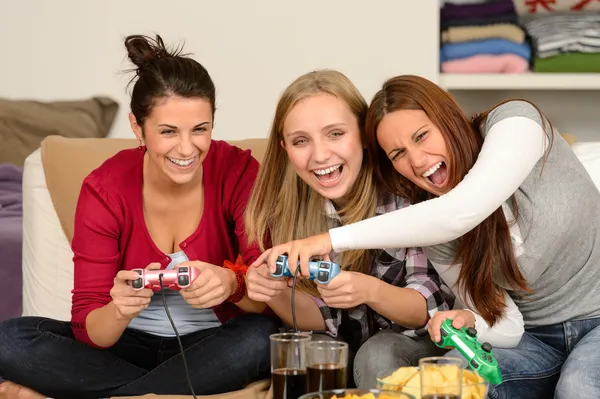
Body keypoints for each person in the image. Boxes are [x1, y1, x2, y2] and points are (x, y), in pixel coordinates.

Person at [256, 74, 600, 399]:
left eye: (421, 136)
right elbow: (508, 326)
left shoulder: (517, 122)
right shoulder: (434, 228)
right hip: (536, 341)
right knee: (453, 379)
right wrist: (471, 320)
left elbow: (464, 209)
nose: (417, 161)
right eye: (398, 154)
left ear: (448, 114)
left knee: (578, 387)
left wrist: (327, 240)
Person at [0, 34, 281, 399]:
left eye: (200, 129)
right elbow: (89, 329)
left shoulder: (239, 170)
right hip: (124, 348)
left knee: (261, 337)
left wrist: (232, 283)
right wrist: (118, 310)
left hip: (214, 345)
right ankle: (157, 393)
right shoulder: (105, 188)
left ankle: (109, 394)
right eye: (167, 132)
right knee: (9, 340)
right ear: (137, 127)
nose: (187, 148)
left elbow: (267, 293)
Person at [244, 70, 454, 388]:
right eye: (301, 141)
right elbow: (325, 321)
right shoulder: (291, 210)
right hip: (351, 346)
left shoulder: (407, 194)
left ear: (364, 135)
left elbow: (427, 308)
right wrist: (272, 291)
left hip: (421, 339)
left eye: (335, 134)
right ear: (285, 147)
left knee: (377, 352)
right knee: (308, 350)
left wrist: (368, 289)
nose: (320, 155)